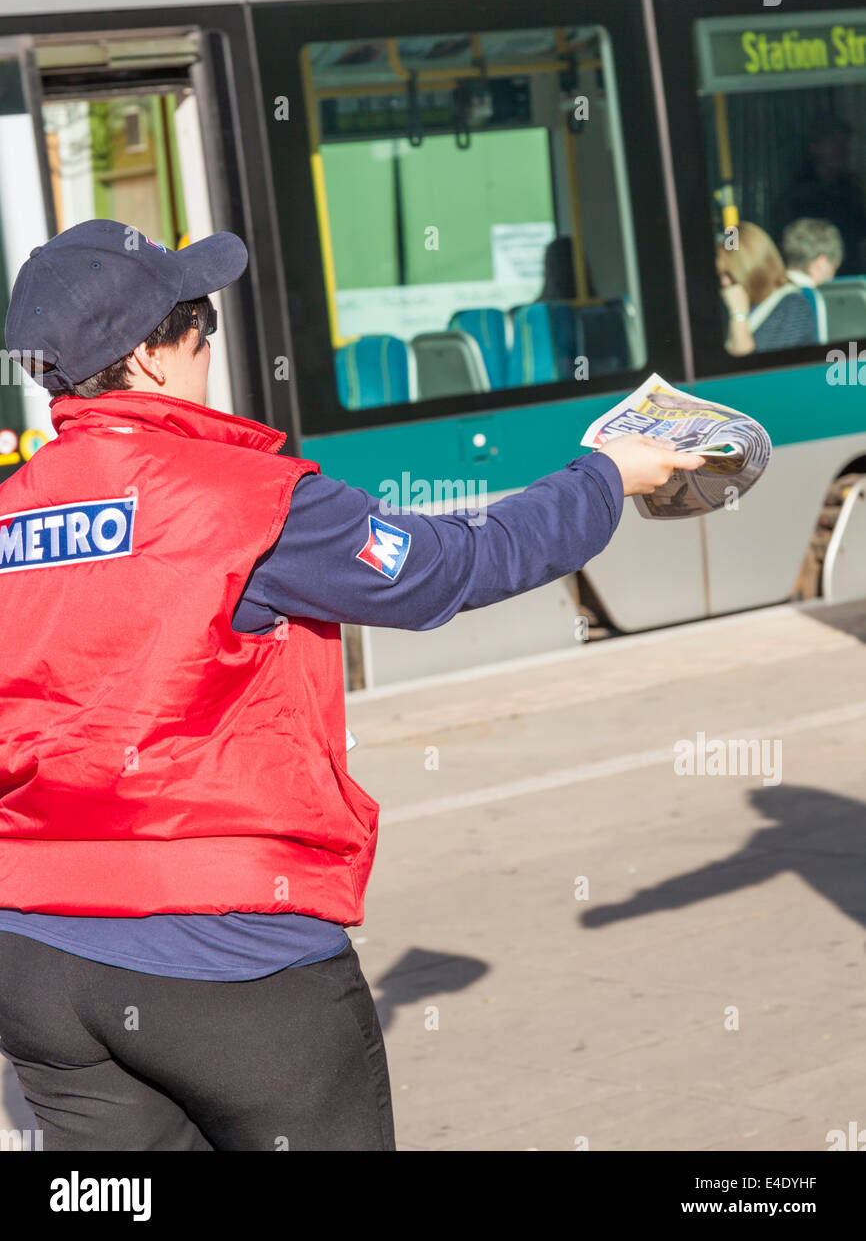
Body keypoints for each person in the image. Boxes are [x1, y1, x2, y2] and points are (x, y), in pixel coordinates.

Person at [0, 219, 704, 1153]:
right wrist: (606, 478)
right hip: (229, 955)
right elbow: (453, 567)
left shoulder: (11, 513)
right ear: (149, 357)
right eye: (198, 322)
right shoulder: (248, 500)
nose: (211, 343)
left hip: (35, 960)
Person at [775, 113, 866, 276]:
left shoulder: (852, 189)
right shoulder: (798, 193)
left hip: (850, 278)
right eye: (834, 142)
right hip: (811, 276)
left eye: (845, 143)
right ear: (814, 147)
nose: (842, 150)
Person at [716, 221, 817, 356]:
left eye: (730, 274)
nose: (724, 282)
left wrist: (738, 315)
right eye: (720, 274)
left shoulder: (793, 308)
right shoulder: (730, 305)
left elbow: (755, 369)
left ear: (753, 269)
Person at [781, 217, 845, 343]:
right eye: (834, 268)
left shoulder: (765, 292)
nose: (832, 277)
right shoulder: (814, 305)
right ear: (821, 264)